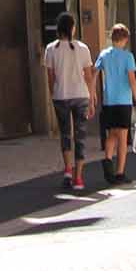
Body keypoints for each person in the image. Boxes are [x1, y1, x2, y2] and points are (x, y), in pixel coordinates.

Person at [42, 10, 94, 190]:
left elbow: (50, 77)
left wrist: (52, 94)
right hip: (80, 95)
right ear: (72, 28)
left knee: (65, 134)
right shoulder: (82, 48)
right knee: (80, 136)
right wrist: (93, 98)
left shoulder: (51, 49)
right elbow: (88, 76)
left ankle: (67, 169)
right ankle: (78, 178)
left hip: (61, 96)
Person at [93, 22, 136, 184]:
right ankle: (120, 172)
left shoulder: (104, 54)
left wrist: (92, 93)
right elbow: (132, 80)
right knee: (123, 137)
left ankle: (107, 161)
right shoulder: (128, 57)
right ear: (125, 39)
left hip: (109, 100)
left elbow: (94, 72)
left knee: (111, 133)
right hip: (123, 100)